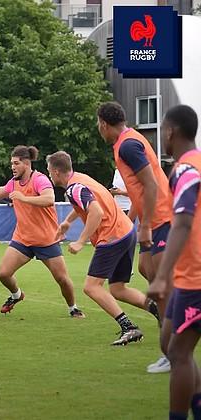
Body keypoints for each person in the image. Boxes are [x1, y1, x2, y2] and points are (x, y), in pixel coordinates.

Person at [48, 151, 156, 345]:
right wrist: (67, 222)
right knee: (118, 289)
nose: (49, 175)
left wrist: (81, 241)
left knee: (91, 287)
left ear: (56, 171)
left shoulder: (74, 188)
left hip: (112, 237)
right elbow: (86, 203)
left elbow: (95, 212)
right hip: (126, 231)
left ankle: (128, 327)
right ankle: (160, 310)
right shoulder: (81, 179)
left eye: (49, 171)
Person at [97, 101, 174, 372]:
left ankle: (172, 353)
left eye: (99, 125)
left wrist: (145, 226)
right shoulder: (128, 142)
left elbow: (151, 184)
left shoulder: (128, 145)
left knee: (162, 288)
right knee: (145, 269)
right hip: (155, 218)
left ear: (104, 124)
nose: (99, 130)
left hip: (162, 218)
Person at [0, 145, 81, 317]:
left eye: (16, 163)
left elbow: (49, 199)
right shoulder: (14, 183)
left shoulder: (40, 179)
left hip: (46, 239)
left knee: (62, 279)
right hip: (23, 239)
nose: (12, 167)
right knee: (3, 273)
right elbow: (0, 192)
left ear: (26, 164)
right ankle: (16, 295)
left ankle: (73, 308)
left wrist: (24, 198)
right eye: (11, 163)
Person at [147, 105, 201, 419]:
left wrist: (161, 276)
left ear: (170, 132)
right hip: (186, 276)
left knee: (179, 353)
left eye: (162, 131)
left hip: (194, 276)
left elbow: (182, 223)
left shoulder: (185, 170)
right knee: (171, 342)